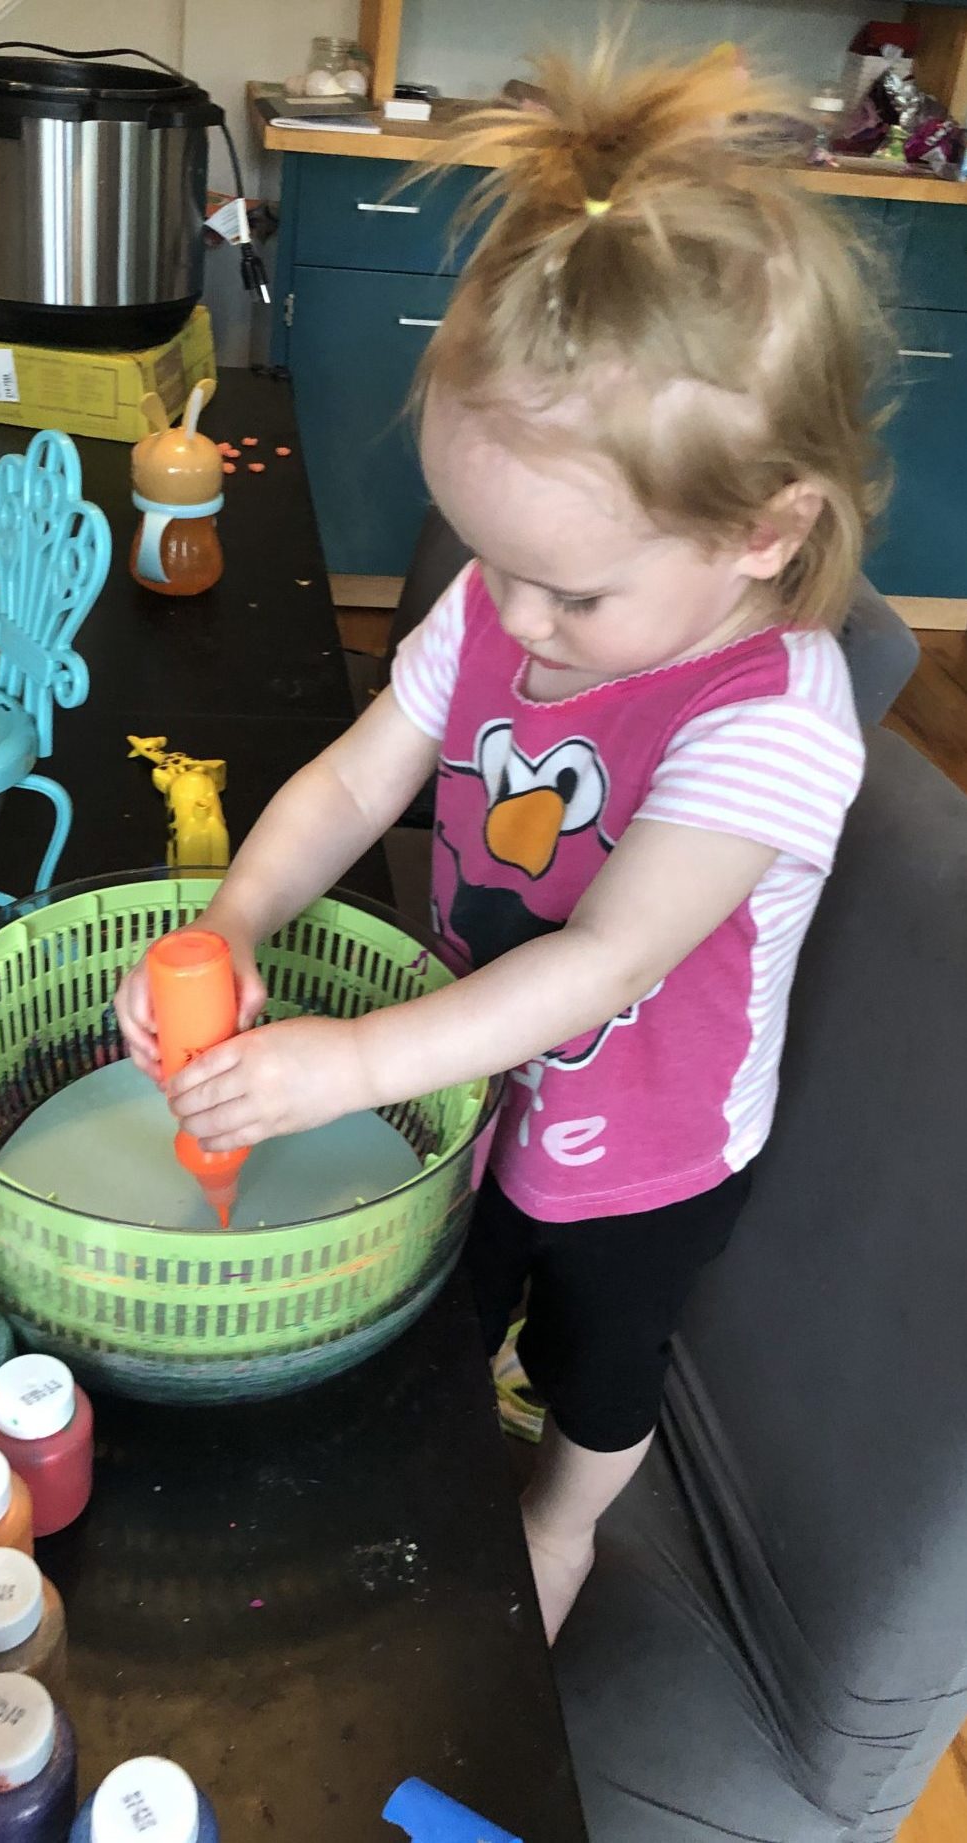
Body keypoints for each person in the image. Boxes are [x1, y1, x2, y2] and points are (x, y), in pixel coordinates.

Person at [116, 42, 880, 1642]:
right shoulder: (501, 599)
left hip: (643, 1149)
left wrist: (344, 1068)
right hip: (464, 1076)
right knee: (454, 1301)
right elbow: (350, 779)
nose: (510, 620)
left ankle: (565, 1525)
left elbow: (604, 961)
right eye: (484, 555)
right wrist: (235, 920)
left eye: (573, 593)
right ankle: (459, 1453)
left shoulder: (771, 717)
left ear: (764, 527)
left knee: (603, 1364)